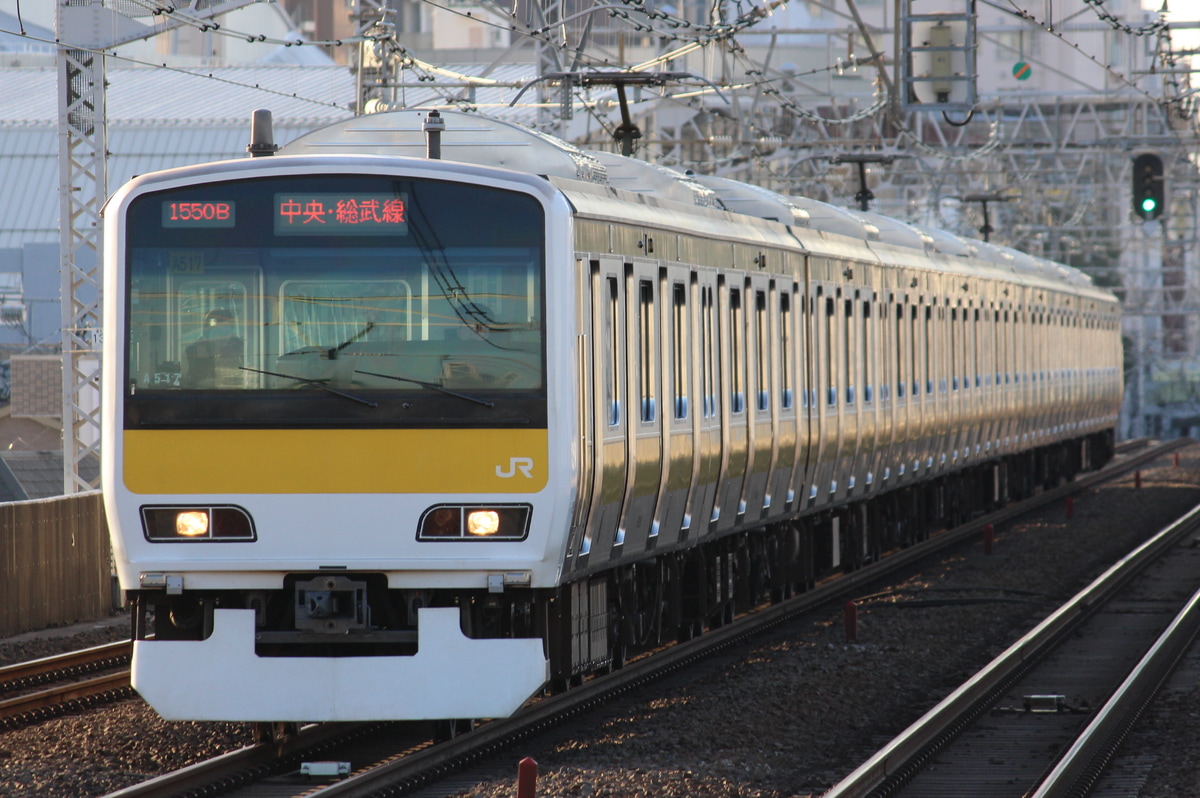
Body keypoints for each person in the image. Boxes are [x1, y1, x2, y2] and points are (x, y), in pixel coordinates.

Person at [183, 308, 243, 388]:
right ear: (206, 333)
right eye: (217, 331)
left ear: (232, 333)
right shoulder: (191, 353)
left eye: (226, 331)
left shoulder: (239, 349)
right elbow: (183, 384)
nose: (222, 337)